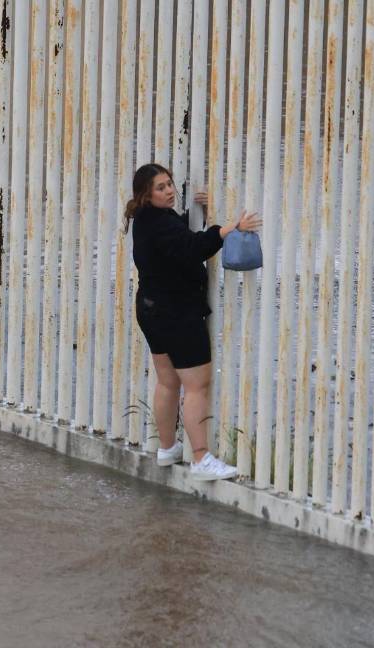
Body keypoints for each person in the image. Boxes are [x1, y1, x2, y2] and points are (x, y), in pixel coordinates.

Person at [124, 163, 262, 481]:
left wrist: (201, 212)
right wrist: (229, 228)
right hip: (176, 311)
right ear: (146, 194)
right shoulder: (159, 222)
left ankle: (167, 449)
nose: (169, 190)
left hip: (150, 308)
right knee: (197, 385)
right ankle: (201, 458)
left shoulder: (146, 220)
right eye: (161, 187)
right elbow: (192, 247)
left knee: (168, 382)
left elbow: (175, 238)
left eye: (170, 184)